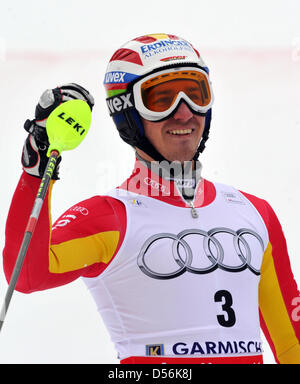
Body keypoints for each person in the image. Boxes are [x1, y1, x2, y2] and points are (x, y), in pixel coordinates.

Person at [2, 33, 300, 364]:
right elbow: (28, 274)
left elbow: (292, 346)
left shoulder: (255, 214)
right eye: (161, 99)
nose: (185, 114)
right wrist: (36, 168)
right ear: (127, 113)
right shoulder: (108, 217)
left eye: (196, 94)